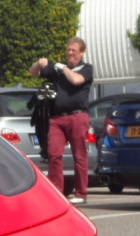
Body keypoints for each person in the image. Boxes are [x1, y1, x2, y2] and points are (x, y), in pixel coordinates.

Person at [29, 37, 95, 204]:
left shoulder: (86, 69)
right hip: (57, 118)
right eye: (68, 50)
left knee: (79, 156)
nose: (70, 53)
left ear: (81, 52)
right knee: (54, 154)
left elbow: (76, 80)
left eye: (74, 50)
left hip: (77, 117)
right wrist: (39, 63)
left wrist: (63, 68)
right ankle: (57, 193)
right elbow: (34, 72)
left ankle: (81, 193)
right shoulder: (58, 69)